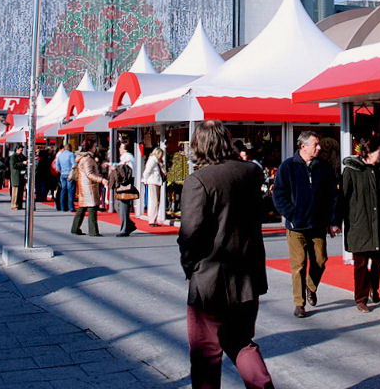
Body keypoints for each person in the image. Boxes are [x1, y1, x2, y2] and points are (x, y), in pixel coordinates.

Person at [178, 119, 274, 389]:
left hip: (211, 276)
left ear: (199, 146)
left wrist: (190, 267)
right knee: (241, 341)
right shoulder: (251, 173)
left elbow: (190, 233)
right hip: (247, 274)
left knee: (206, 351)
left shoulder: (199, 181)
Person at [271, 130, 340, 319]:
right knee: (298, 264)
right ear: (303, 146)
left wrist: (333, 221)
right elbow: (279, 195)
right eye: (315, 144)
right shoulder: (288, 167)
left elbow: (333, 197)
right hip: (297, 226)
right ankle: (299, 303)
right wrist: (292, 214)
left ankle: (311, 286)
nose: (319, 148)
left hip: (317, 224)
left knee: (320, 260)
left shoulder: (324, 168)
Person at [341, 137, 380, 313]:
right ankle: (361, 298)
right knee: (361, 263)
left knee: (379, 260)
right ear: (369, 152)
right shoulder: (351, 171)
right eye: (379, 152)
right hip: (360, 223)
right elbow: (343, 197)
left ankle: (373, 286)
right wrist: (337, 221)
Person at [71, 138, 108, 236]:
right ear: (91, 147)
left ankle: (75, 228)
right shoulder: (87, 159)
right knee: (92, 207)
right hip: (89, 187)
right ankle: (93, 231)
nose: (96, 148)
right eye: (95, 146)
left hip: (84, 185)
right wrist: (101, 179)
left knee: (82, 207)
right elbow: (89, 174)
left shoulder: (83, 158)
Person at [110, 151, 140, 237]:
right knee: (117, 206)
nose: (119, 149)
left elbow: (127, 172)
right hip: (121, 186)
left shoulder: (128, 158)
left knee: (123, 207)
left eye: (121, 147)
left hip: (125, 186)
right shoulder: (124, 158)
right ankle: (129, 225)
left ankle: (124, 229)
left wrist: (116, 169)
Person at [142, 146, 167, 225]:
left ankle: (153, 219)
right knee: (154, 201)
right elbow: (147, 171)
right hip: (153, 182)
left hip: (156, 182)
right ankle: (152, 220)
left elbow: (163, 171)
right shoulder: (152, 160)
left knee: (156, 201)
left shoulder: (157, 161)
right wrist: (144, 180)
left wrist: (162, 165)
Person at [54, 141, 77, 212]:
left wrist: (61, 171)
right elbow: (74, 164)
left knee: (63, 190)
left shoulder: (60, 155)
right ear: (70, 148)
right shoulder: (71, 154)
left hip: (63, 174)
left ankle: (63, 207)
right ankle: (71, 207)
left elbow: (57, 166)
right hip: (69, 174)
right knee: (70, 191)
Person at [9, 145, 28, 210]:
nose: (21, 151)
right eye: (20, 150)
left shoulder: (22, 156)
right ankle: (14, 205)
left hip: (21, 176)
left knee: (21, 191)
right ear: (17, 149)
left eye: (22, 150)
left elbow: (26, 160)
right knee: (15, 192)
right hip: (16, 176)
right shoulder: (13, 157)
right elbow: (14, 165)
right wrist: (22, 163)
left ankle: (19, 205)